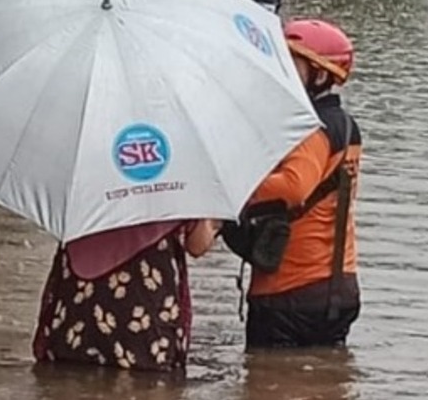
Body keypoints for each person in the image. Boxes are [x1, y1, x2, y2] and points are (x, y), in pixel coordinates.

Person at [237, 19, 363, 349]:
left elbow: (293, 187)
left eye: (293, 65)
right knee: (323, 390)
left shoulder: (310, 128)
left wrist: (237, 186)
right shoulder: (345, 126)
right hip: (339, 285)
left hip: (289, 291)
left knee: (264, 395)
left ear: (321, 75)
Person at [33, 219, 221, 372]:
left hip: (80, 296)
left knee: (69, 377)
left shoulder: (86, 176)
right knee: (146, 388)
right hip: (146, 303)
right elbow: (197, 245)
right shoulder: (182, 180)